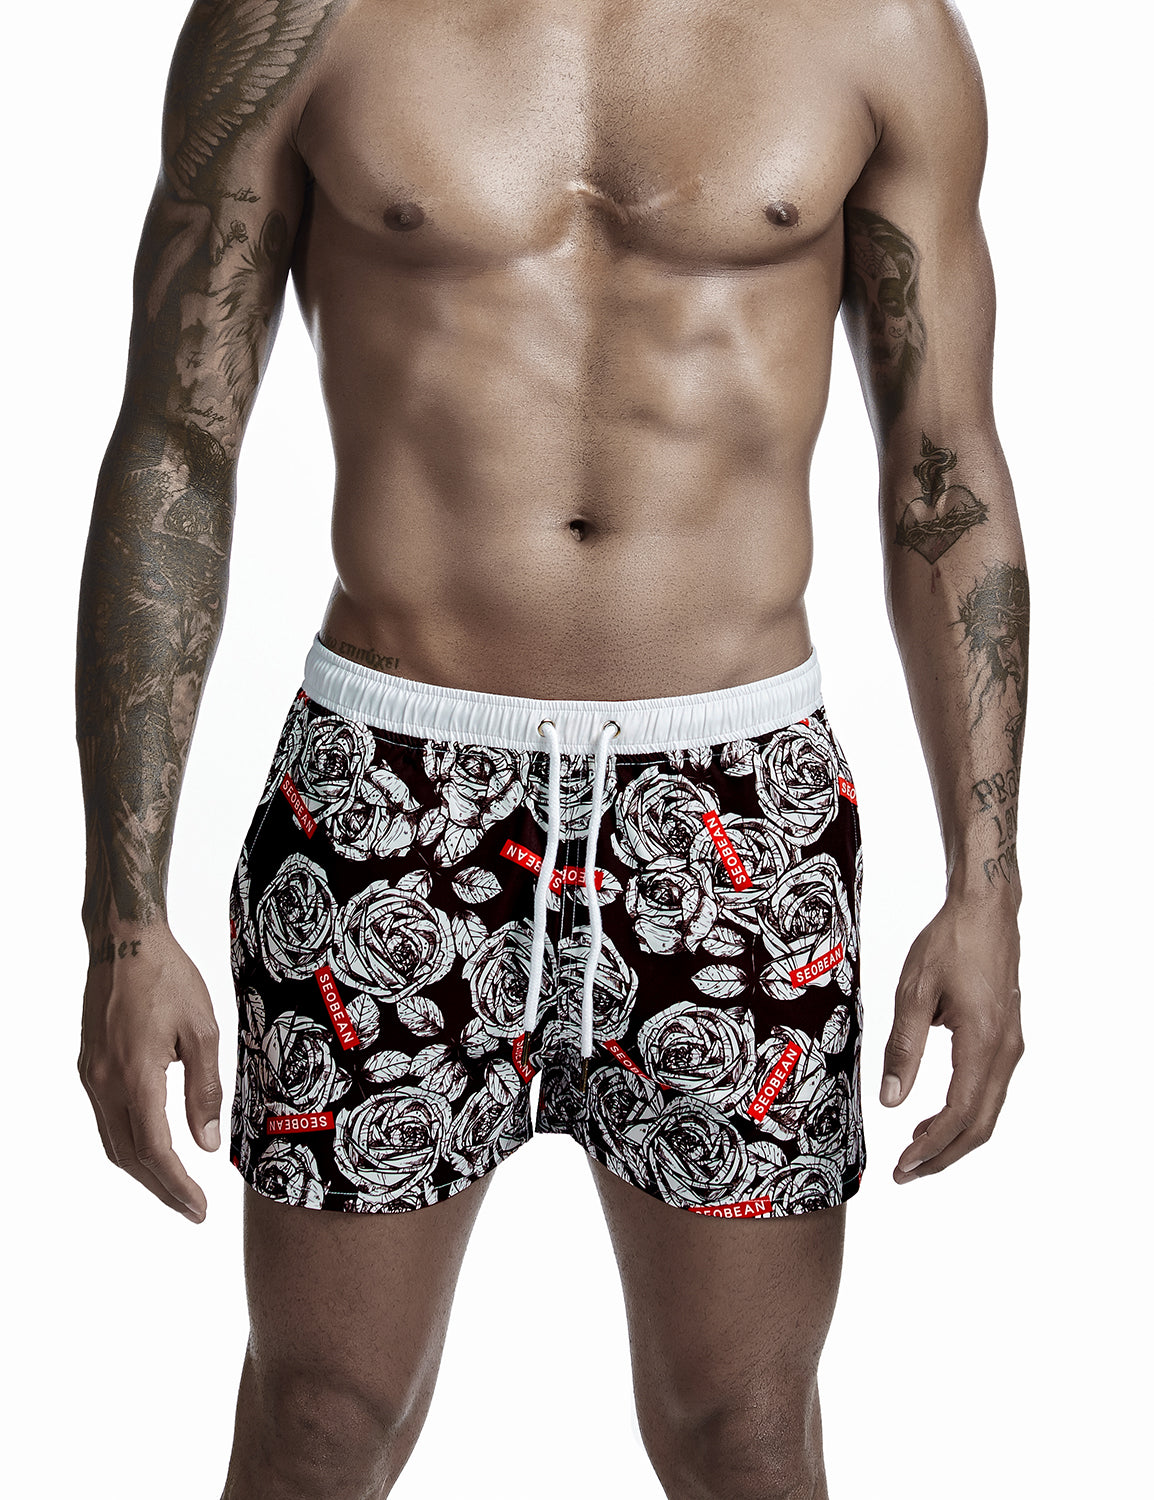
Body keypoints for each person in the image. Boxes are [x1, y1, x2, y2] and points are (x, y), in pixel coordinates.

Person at [75, 1, 1027, 1496]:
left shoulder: (871, 29)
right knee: (322, 1420)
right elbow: (177, 443)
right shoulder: (299, 19)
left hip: (734, 803)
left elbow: (941, 461)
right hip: (392, 791)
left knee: (743, 1432)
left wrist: (989, 885)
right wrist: (123, 922)